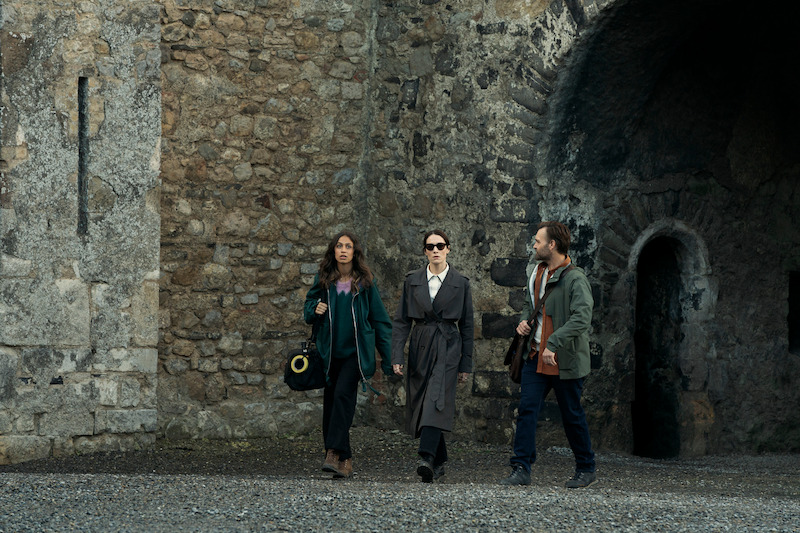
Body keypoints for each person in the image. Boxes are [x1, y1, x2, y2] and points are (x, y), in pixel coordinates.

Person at [499, 221, 596, 488]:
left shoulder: (576, 279)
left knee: (572, 415)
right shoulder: (536, 272)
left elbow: (582, 319)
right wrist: (523, 321)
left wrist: (553, 343)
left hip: (565, 360)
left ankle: (586, 468)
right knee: (527, 411)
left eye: (538, 241)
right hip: (534, 357)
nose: (534, 245)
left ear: (552, 245)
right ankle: (521, 467)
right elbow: (528, 305)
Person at [303, 231, 393, 479]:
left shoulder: (365, 283)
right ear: (334, 251)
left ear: (355, 252)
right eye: (339, 246)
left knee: (343, 395)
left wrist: (389, 359)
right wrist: (314, 308)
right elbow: (308, 309)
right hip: (330, 353)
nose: (343, 250)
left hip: (355, 353)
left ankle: (332, 452)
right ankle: (346, 460)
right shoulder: (324, 280)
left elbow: (380, 321)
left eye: (348, 246)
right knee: (332, 404)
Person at [392, 229, 474, 482]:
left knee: (436, 398)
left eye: (440, 245)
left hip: (448, 345)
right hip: (420, 344)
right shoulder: (413, 281)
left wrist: (465, 364)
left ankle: (426, 456)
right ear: (425, 251)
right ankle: (439, 461)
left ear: (448, 248)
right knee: (421, 398)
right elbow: (401, 321)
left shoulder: (461, 283)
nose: (435, 250)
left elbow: (468, 326)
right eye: (430, 246)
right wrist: (397, 355)